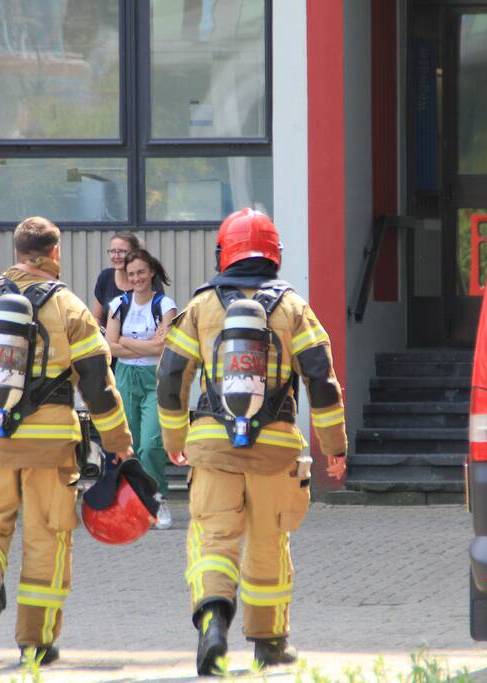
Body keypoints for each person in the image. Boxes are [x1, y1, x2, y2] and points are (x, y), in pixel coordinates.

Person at [0, 216, 134, 667]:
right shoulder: (71, 307)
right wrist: (118, 441)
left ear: (17, 251)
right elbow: (98, 384)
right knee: (47, 539)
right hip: (53, 445)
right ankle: (35, 642)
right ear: (54, 254)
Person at [156, 208, 348, 676]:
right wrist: (334, 447)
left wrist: (175, 438)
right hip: (275, 448)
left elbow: (170, 379)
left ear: (224, 252)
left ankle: (214, 622)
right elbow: (322, 381)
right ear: (274, 253)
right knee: (268, 543)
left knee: (213, 539)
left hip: (212, 446)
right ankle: (269, 643)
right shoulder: (293, 308)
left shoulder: (201, 306)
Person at [105, 249, 177, 530]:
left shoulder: (164, 304)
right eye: (132, 273)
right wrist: (142, 344)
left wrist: (124, 339)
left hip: (153, 378)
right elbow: (109, 346)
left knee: (150, 444)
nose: (136, 278)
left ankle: (158, 497)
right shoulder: (119, 304)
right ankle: (135, 503)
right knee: (128, 445)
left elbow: (162, 347)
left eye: (141, 272)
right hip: (124, 377)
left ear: (152, 273)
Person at [90, 231, 164, 327]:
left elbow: (160, 319)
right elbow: (97, 317)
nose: (116, 256)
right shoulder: (105, 277)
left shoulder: (148, 280)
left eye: (122, 251)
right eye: (112, 251)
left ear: (134, 253)